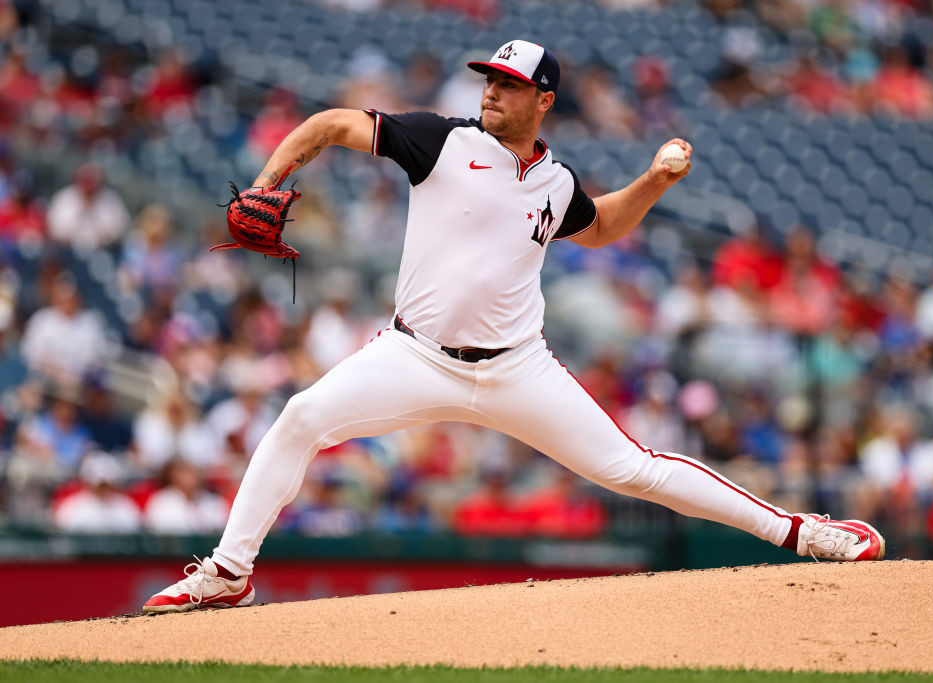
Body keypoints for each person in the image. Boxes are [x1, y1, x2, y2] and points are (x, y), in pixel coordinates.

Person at [144, 40, 885, 614]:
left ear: (544, 100)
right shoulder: (441, 139)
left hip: (516, 367)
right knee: (301, 416)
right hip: (416, 355)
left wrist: (654, 183)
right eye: (489, 80)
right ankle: (229, 571)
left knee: (633, 468)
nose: (491, 91)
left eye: (508, 84)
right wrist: (271, 180)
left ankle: (800, 532)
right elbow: (334, 124)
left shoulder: (556, 182)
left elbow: (599, 229)